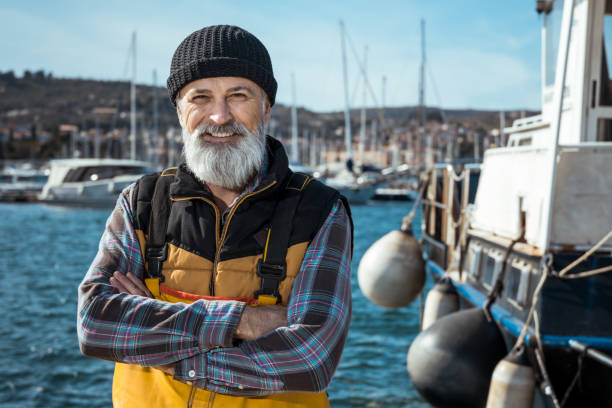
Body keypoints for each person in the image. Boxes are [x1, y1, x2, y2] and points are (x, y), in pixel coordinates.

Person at [77, 25, 353, 408]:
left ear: (266, 107)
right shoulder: (140, 201)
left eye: (238, 96)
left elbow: (309, 361)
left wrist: (158, 342)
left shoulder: (320, 211)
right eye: (200, 97)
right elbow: (95, 325)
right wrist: (243, 321)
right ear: (180, 111)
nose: (220, 116)